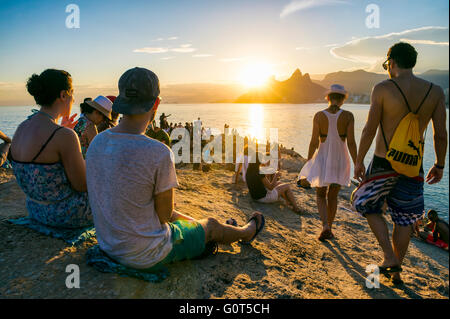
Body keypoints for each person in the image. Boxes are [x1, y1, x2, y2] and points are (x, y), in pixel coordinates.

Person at [85, 67, 265, 271]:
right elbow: (164, 216)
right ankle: (246, 231)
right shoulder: (158, 152)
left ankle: (211, 229)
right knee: (212, 225)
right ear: (156, 103)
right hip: (144, 253)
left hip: (108, 244)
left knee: (194, 223)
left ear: (121, 100)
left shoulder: (97, 142)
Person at [352, 42, 447, 284]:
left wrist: (359, 160)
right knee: (404, 219)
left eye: (387, 65)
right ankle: (396, 273)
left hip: (384, 163)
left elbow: (369, 129)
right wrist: (440, 165)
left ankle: (388, 256)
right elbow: (440, 134)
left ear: (391, 62)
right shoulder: (435, 92)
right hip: (414, 167)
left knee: (364, 202)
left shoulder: (383, 88)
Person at [8, 69, 92, 228]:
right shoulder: (64, 136)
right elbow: (82, 185)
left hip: (36, 210)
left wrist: (63, 130)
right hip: (67, 215)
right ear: (63, 95)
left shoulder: (22, 127)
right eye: (72, 93)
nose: (74, 99)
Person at [298, 84, 357, 241]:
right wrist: (358, 163)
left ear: (328, 98)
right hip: (340, 159)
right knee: (333, 196)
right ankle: (329, 228)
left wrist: (309, 163)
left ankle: (324, 226)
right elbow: (351, 143)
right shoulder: (349, 116)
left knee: (320, 194)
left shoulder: (319, 116)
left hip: (323, 157)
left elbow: (313, 143)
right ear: (343, 99)